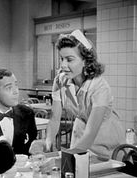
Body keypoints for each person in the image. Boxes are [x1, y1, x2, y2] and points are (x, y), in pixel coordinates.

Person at [31, 29, 125, 158]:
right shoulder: (60, 80)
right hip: (80, 138)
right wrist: (47, 144)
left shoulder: (100, 87)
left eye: (69, 60)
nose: (63, 65)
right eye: (61, 59)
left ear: (85, 61)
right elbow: (54, 119)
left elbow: (91, 132)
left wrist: (64, 159)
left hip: (105, 144)